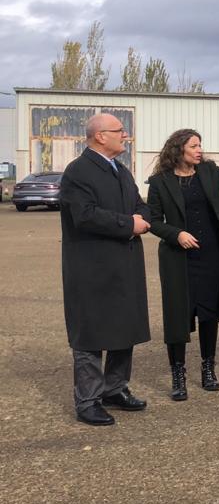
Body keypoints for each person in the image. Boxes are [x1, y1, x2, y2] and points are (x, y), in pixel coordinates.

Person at [146, 130, 219, 400]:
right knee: (178, 316)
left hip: (212, 255)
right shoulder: (160, 182)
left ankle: (208, 368)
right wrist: (177, 235)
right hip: (178, 259)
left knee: (209, 314)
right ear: (178, 149)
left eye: (200, 145)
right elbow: (153, 220)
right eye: (194, 146)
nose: (199, 150)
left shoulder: (209, 171)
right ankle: (178, 374)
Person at [60, 113, 151, 426]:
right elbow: (83, 215)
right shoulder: (78, 172)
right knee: (90, 334)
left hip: (124, 265)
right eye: (119, 131)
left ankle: (115, 389)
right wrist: (129, 224)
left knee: (123, 329)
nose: (125, 135)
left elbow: (140, 205)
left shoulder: (121, 171)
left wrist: (142, 217)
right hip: (91, 268)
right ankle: (88, 401)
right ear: (100, 135)